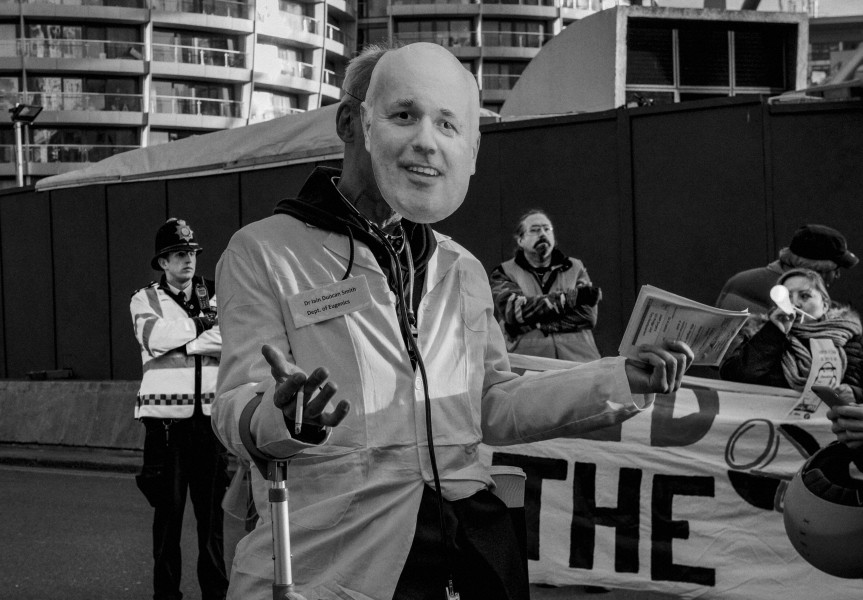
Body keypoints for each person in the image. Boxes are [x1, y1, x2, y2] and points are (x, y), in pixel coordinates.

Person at [213, 43, 692, 600]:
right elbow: (235, 406)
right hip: (341, 555)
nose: (426, 141)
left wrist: (618, 379)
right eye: (403, 115)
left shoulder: (459, 266)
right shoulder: (264, 252)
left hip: (472, 548)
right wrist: (284, 414)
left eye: (446, 123)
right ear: (352, 122)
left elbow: (490, 404)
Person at [130, 218, 229, 600]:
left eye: (190, 253)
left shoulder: (218, 294)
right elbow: (154, 338)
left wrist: (185, 340)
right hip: (165, 426)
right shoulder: (144, 299)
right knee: (167, 519)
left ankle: (215, 595)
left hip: (210, 423)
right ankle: (166, 595)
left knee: (212, 522)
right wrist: (201, 326)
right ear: (163, 263)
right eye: (178, 254)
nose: (188, 259)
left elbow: (230, 336)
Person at [719, 268, 863, 402]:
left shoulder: (852, 340)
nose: (795, 304)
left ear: (825, 305)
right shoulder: (757, 335)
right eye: (787, 297)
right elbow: (736, 378)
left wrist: (857, 393)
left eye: (805, 296)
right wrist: (774, 331)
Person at [490, 209, 602, 362]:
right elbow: (515, 313)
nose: (542, 234)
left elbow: (587, 316)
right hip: (528, 365)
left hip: (578, 363)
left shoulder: (575, 267)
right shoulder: (504, 272)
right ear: (520, 240)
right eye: (535, 230)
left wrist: (529, 324)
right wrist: (571, 298)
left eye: (547, 229)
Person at [715, 223, 858, 313]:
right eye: (835, 269)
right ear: (816, 270)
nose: (838, 275)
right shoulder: (798, 301)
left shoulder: (738, 280)